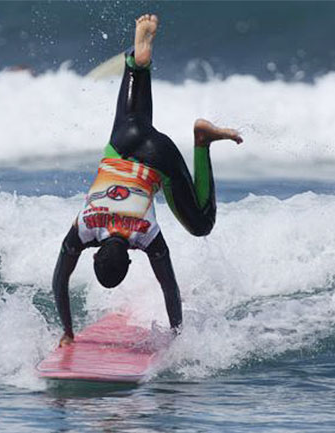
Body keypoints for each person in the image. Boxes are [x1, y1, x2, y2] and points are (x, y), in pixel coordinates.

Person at [51, 14, 243, 347]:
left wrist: (176, 336)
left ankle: (202, 142)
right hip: (122, 141)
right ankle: (136, 63)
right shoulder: (84, 227)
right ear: (94, 255)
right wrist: (67, 332)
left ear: (130, 258)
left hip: (158, 157)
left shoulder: (146, 235)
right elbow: (59, 281)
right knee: (134, 115)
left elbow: (170, 289)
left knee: (201, 224)